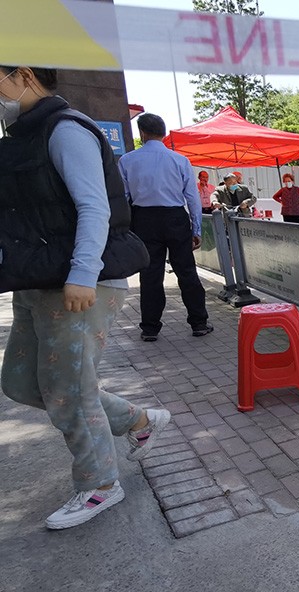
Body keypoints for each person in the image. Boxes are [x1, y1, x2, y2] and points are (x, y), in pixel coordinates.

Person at [0, 65, 172, 530]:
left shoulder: (66, 128)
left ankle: (99, 483)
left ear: (24, 75)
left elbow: (93, 205)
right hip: (37, 279)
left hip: (80, 282)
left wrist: (81, 273)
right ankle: (138, 420)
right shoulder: (21, 134)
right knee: (21, 382)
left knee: (68, 390)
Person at [118, 112, 213, 342]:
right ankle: (199, 322)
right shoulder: (179, 160)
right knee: (186, 271)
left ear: (142, 133)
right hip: (175, 218)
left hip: (144, 220)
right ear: (163, 133)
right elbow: (192, 199)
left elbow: (123, 198)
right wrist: (196, 229)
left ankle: (150, 328)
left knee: (150, 275)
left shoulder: (127, 160)